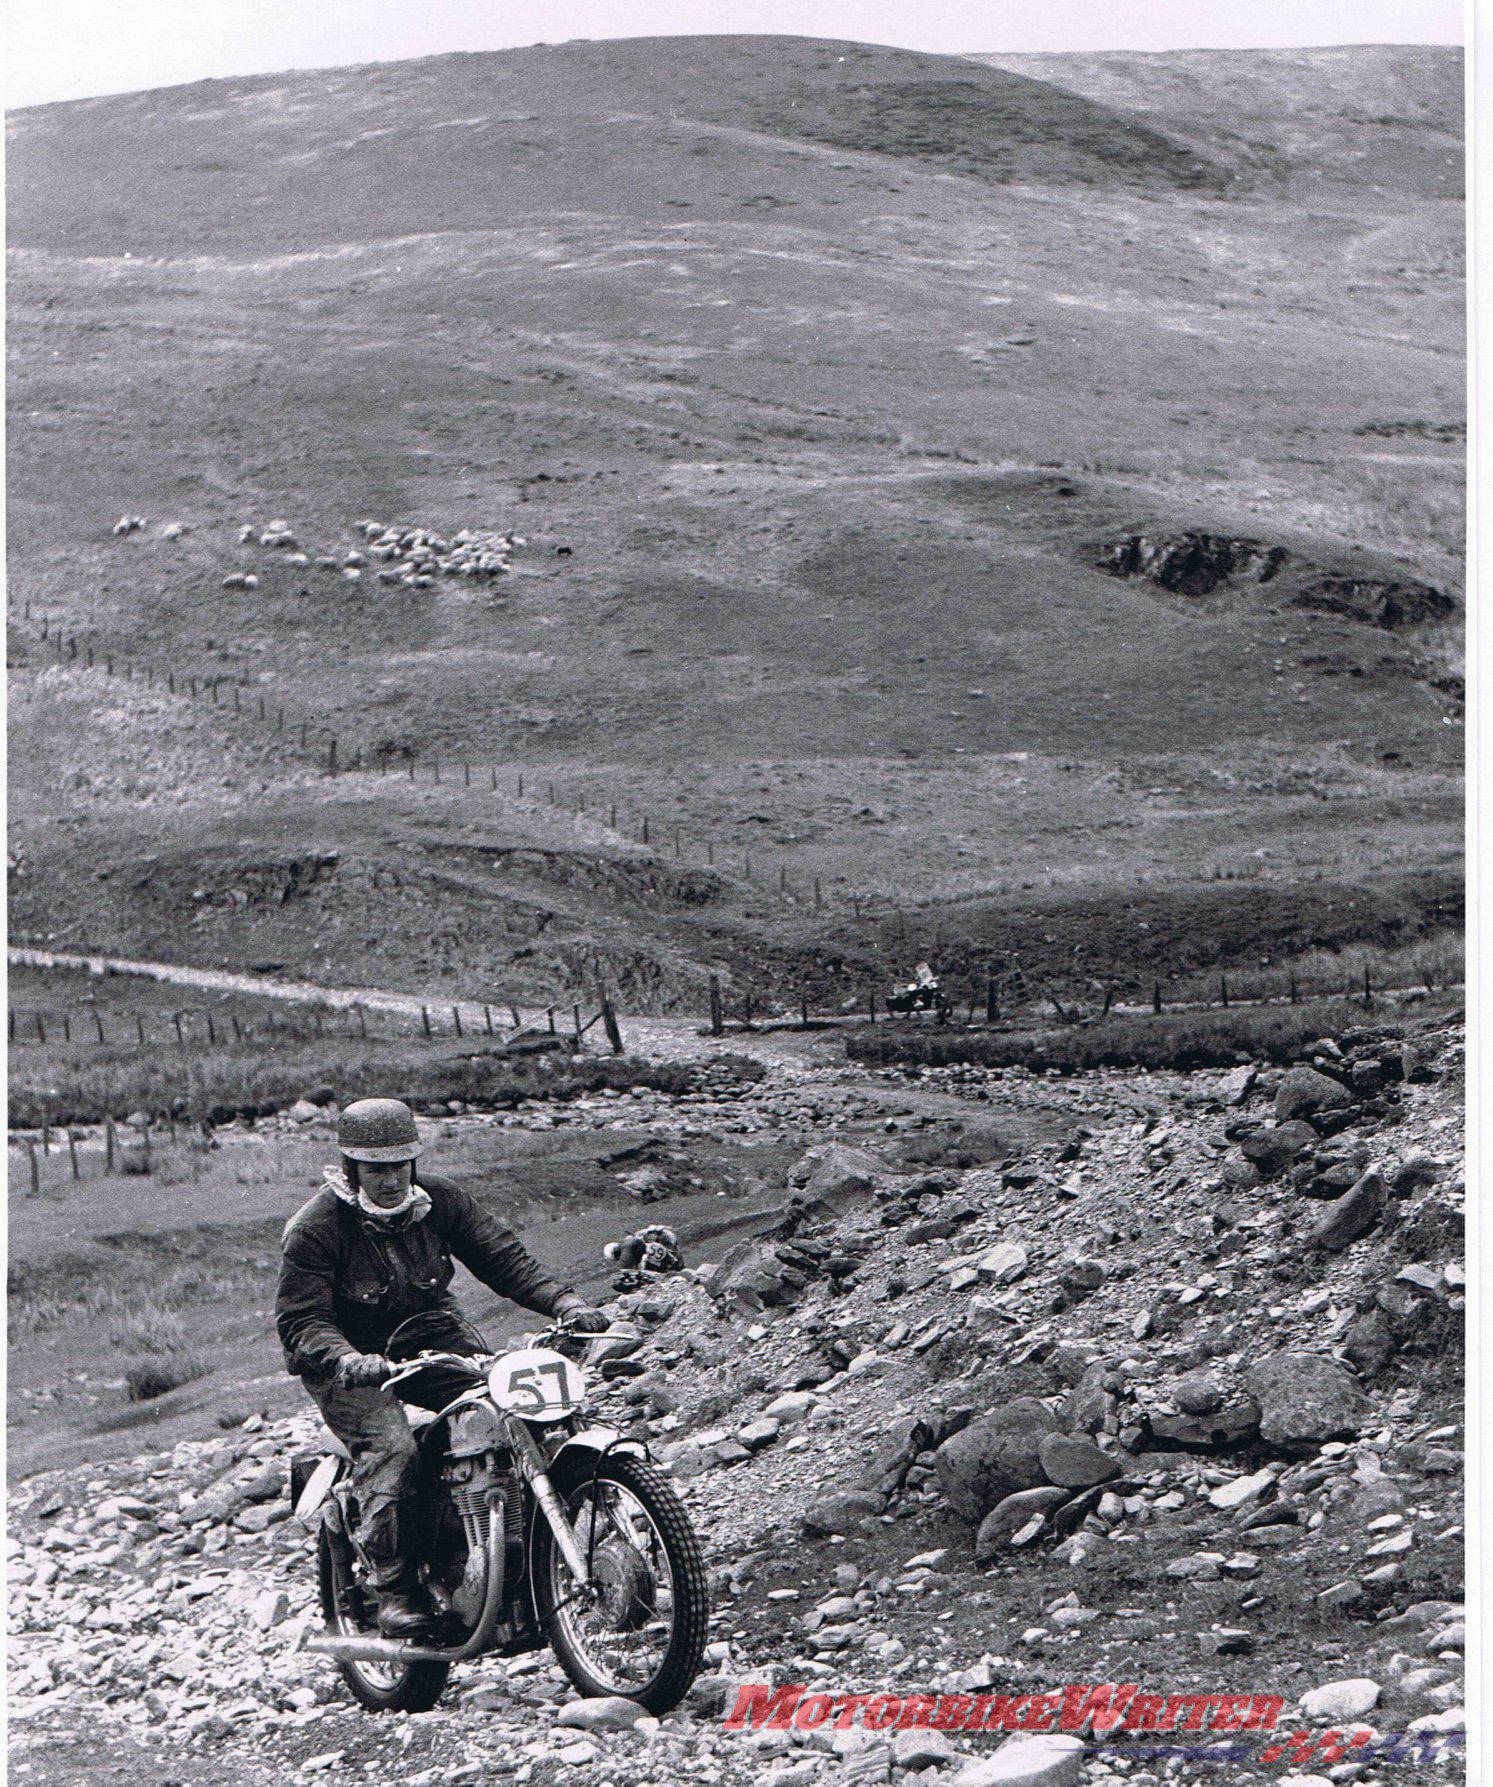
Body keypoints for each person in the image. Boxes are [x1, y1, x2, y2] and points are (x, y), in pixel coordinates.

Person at [276, 1097, 608, 1638]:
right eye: (376, 1168)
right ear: (351, 1166)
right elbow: (302, 1321)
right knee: (393, 1447)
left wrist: (566, 1304)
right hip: (348, 1364)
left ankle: (521, 1552)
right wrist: (348, 1359)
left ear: (414, 1161)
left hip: (431, 1338)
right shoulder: (316, 1227)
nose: (389, 1180)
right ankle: (395, 1587)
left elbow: (505, 1259)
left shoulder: (442, 1201)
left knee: (510, 1412)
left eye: (399, 1165)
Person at [602, 1223, 684, 1292]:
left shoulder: (629, 1246)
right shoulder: (636, 1240)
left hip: (665, 1259)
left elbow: (625, 1270)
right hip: (669, 1258)